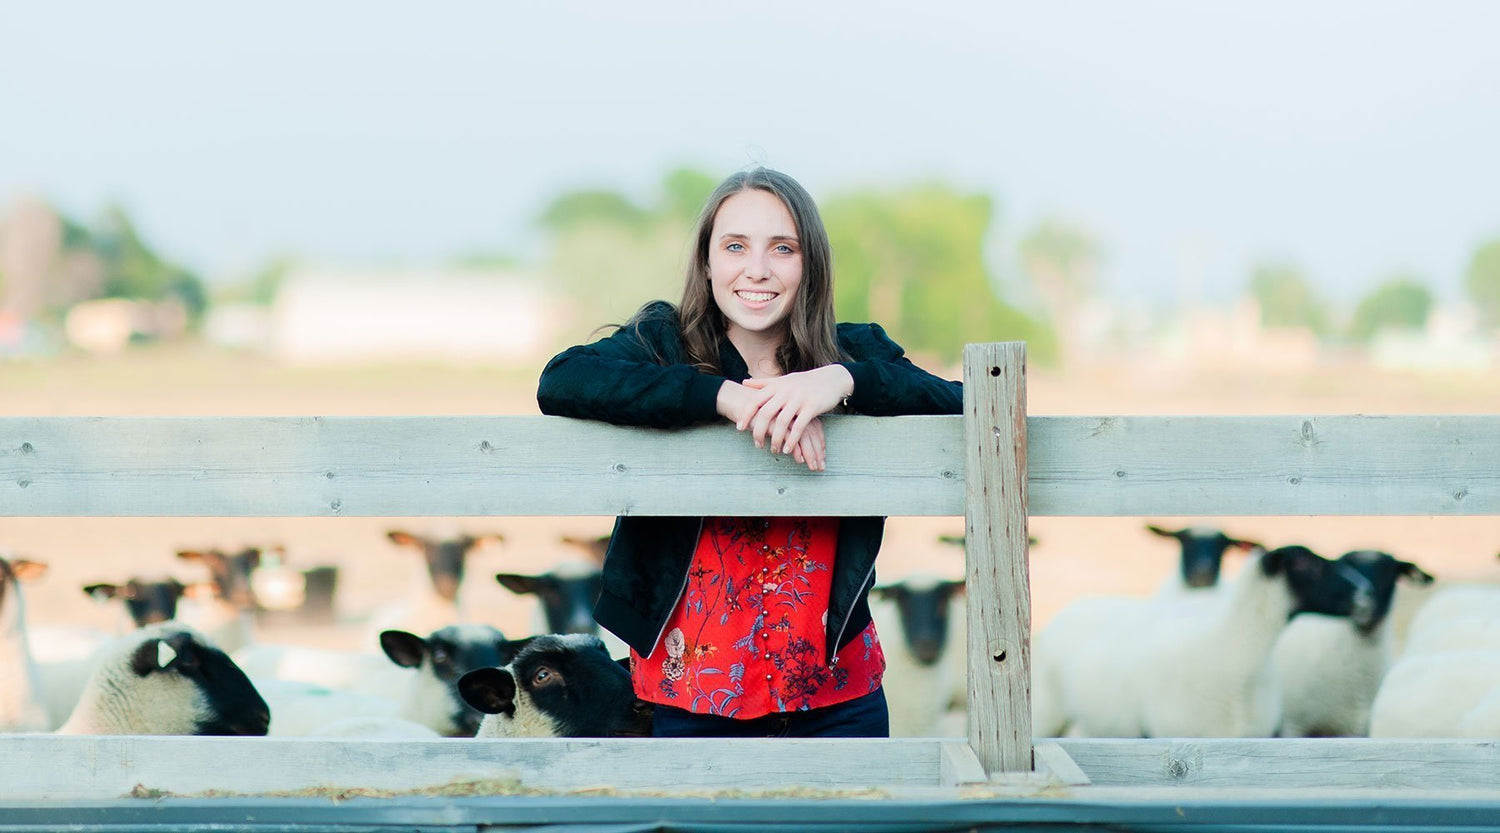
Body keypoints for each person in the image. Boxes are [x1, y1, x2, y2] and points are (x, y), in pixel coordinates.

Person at [537, 167, 963, 738]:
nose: (757, 269)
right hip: (688, 692)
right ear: (707, 261)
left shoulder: (856, 350)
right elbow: (561, 380)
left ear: (809, 263)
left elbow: (964, 402)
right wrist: (721, 397)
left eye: (782, 248)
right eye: (735, 246)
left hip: (838, 693)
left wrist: (841, 381)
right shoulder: (663, 344)